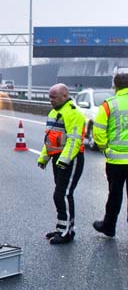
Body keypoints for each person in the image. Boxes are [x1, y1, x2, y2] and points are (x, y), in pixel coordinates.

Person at [37, 83, 86, 245]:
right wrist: (44, 158)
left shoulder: (73, 113)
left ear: (64, 96)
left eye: (54, 97)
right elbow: (50, 139)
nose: (51, 100)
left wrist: (64, 161)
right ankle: (61, 228)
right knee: (60, 193)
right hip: (58, 158)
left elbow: (74, 141)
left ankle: (67, 231)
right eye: (49, 97)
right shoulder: (54, 112)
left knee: (62, 194)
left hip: (71, 159)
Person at [92, 68, 128, 237]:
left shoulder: (109, 104)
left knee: (114, 195)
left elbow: (98, 131)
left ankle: (109, 226)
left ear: (115, 86)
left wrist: (106, 149)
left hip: (116, 162)